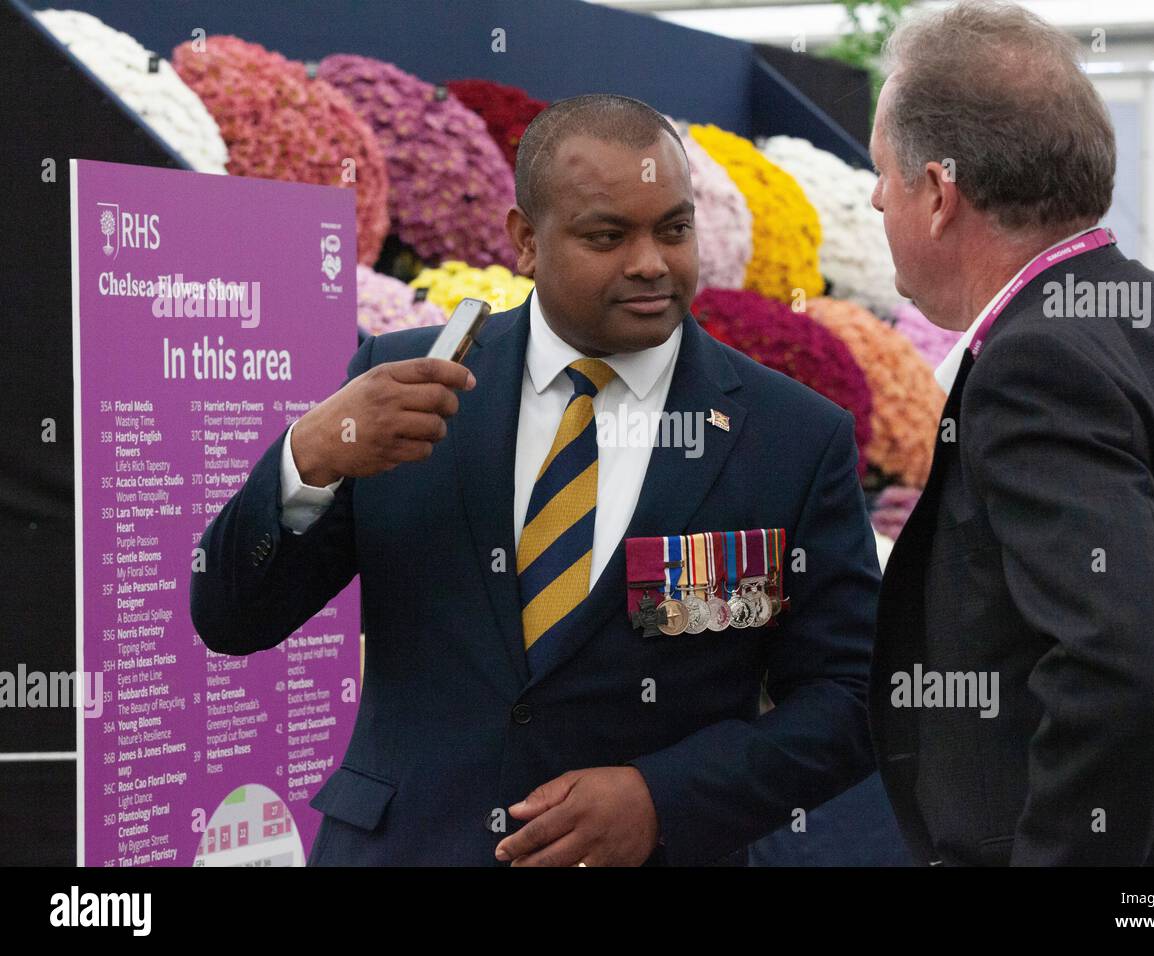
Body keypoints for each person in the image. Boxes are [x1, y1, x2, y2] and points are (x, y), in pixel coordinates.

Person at [190, 94, 879, 866]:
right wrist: (306, 455)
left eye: (674, 229)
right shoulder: (406, 388)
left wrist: (664, 798)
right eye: (607, 235)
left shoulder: (791, 437)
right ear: (525, 240)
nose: (651, 261)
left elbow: (849, 698)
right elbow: (231, 619)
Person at [866, 0, 1154, 865]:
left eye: (882, 173)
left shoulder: (1039, 364)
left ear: (941, 193)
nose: (875, 198)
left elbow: (1126, 675)